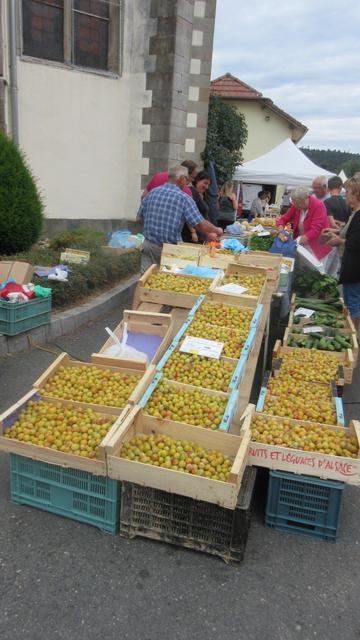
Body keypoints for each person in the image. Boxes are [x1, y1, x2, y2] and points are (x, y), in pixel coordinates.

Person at [137, 165, 223, 273]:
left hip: (148, 246)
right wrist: (216, 230)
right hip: (169, 250)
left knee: (145, 281)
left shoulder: (151, 193)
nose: (187, 183)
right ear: (182, 179)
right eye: (187, 179)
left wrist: (151, 229)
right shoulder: (184, 198)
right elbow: (199, 224)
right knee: (165, 282)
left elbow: (139, 218)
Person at [322, 176, 360, 328]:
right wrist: (336, 230)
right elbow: (352, 233)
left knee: (354, 304)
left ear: (357, 194)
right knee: (353, 301)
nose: (346, 193)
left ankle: (354, 337)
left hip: (355, 268)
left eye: (348, 191)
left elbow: (356, 242)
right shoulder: (355, 213)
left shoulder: (359, 214)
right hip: (352, 266)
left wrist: (339, 240)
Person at [276, 186, 337, 273]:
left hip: (318, 246)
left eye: (298, 204)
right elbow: (283, 219)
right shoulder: (296, 206)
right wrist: (281, 231)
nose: (296, 206)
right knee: (302, 272)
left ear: (305, 199)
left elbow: (315, 230)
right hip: (303, 246)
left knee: (315, 274)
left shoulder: (318, 206)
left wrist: (297, 240)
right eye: (295, 204)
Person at [182, 170, 211, 243]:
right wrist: (193, 232)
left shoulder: (198, 194)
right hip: (193, 237)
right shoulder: (192, 192)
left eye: (208, 184)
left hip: (199, 236)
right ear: (197, 180)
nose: (207, 187)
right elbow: (188, 212)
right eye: (205, 183)